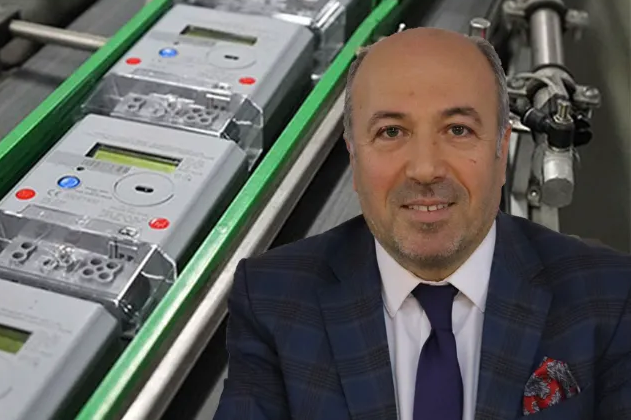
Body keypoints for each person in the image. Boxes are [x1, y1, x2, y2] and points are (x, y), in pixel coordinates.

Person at [213, 27, 631, 420]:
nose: (426, 169)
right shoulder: (273, 299)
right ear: (354, 157)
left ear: (502, 151)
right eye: (392, 132)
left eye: (458, 130)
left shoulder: (609, 297)